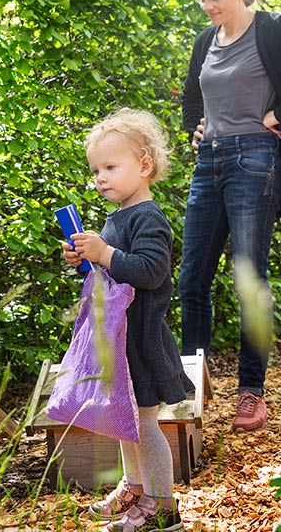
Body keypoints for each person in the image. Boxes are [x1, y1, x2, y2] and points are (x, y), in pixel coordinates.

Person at [178, 0, 281, 433]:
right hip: (209, 163)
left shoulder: (276, 30)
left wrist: (278, 115)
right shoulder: (204, 41)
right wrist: (195, 127)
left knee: (250, 280)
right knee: (192, 281)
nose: (208, 6)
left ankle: (251, 392)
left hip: (256, 160)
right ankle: (192, 387)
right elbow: (194, 96)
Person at [63, 108, 192, 532]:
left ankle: (162, 505)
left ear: (144, 165)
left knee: (145, 422)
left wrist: (106, 253)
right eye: (96, 169)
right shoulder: (118, 217)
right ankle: (135, 488)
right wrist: (88, 259)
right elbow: (115, 275)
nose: (100, 177)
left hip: (142, 340)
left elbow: (151, 271)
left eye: (110, 167)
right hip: (119, 339)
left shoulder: (148, 217)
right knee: (125, 418)